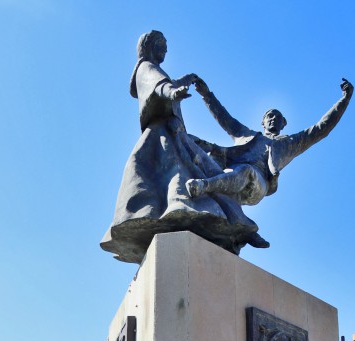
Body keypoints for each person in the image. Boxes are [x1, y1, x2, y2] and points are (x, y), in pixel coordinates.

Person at [100, 31, 261, 264]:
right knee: (180, 175)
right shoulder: (146, 67)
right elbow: (159, 86)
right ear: (150, 46)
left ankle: (240, 227)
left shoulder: (154, 69)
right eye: (162, 45)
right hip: (163, 135)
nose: (166, 50)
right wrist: (173, 91)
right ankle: (229, 223)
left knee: (211, 174)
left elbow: (166, 84)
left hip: (176, 134)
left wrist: (184, 81)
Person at [186, 77, 354, 218]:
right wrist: (206, 95)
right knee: (194, 142)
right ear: (263, 122)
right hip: (231, 170)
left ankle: (203, 186)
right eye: (270, 116)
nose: (273, 118)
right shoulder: (246, 134)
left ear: (283, 123)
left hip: (257, 183)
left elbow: (320, 129)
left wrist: (344, 100)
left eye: (278, 117)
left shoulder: (288, 143)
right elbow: (224, 118)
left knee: (246, 170)